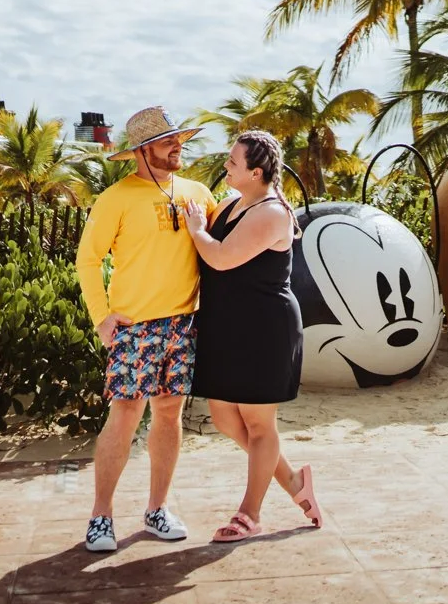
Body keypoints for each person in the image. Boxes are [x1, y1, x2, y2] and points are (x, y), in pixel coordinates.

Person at [74, 105, 219, 554]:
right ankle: (101, 515)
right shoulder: (115, 197)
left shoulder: (198, 192)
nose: (179, 145)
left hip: (184, 322)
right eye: (168, 140)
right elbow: (88, 259)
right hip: (135, 327)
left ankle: (157, 508)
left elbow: (229, 237)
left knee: (170, 412)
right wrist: (101, 316)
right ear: (142, 150)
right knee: (125, 414)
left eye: (180, 138)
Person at [181, 129, 321, 542]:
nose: (225, 166)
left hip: (264, 327)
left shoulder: (273, 213)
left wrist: (195, 232)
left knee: (259, 425)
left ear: (256, 171)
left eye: (232, 162)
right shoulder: (230, 204)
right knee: (225, 418)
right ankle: (295, 481)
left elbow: (221, 258)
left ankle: (250, 513)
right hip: (227, 327)